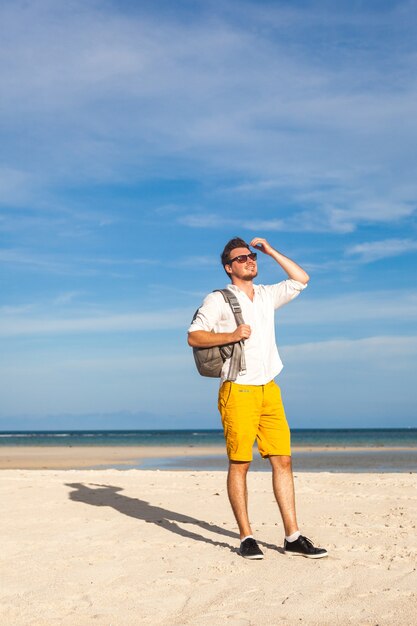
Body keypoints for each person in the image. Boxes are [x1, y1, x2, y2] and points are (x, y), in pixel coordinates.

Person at [187, 236, 328, 560]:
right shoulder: (218, 299)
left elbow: (301, 279)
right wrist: (231, 335)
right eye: (242, 258)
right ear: (228, 267)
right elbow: (194, 335)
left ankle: (293, 536)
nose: (250, 260)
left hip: (269, 388)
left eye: (252, 256)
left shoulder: (266, 295)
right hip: (238, 388)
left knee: (283, 460)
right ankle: (246, 536)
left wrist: (271, 250)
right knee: (241, 463)